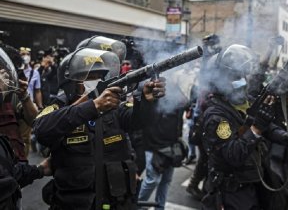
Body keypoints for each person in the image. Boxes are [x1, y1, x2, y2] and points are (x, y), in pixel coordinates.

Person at [33, 47, 166, 210]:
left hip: (116, 202)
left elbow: (139, 121)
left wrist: (147, 102)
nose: (96, 81)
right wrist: (92, 106)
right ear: (72, 82)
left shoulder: (113, 105)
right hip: (75, 204)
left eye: (99, 77)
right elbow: (41, 130)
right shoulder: (60, 105)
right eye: (89, 77)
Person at [201, 45, 276, 210]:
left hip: (249, 184)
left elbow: (262, 126)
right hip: (230, 192)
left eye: (242, 75)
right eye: (235, 76)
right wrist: (256, 128)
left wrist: (287, 136)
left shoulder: (237, 104)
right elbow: (233, 154)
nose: (241, 81)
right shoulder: (217, 116)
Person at [0, 47, 49, 208]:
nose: (5, 77)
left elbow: (34, 120)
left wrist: (24, 95)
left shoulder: (10, 96)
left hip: (15, 172)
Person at [137, 79, 188, 210]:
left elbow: (185, 103)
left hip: (171, 144)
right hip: (154, 145)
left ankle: (160, 207)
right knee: (152, 180)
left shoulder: (174, 86)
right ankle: (136, 205)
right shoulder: (151, 86)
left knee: (166, 181)